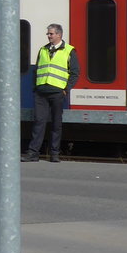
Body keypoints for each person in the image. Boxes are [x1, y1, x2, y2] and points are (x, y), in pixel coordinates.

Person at [24, 23, 80, 162]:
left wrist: (66, 90)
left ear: (59, 35)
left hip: (57, 93)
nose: (48, 36)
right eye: (48, 34)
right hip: (41, 92)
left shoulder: (69, 50)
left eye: (51, 34)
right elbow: (36, 70)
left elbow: (75, 73)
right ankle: (33, 153)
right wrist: (36, 87)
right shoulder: (43, 50)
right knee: (38, 122)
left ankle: (54, 153)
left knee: (56, 124)